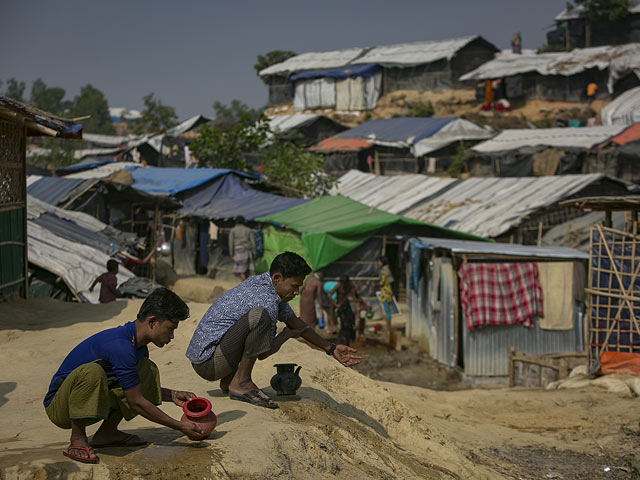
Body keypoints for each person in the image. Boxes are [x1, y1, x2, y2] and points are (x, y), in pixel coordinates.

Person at [43, 288, 207, 465]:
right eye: (170, 328)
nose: (172, 336)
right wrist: (179, 426)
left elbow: (132, 387)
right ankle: (77, 438)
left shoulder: (138, 348)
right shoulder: (120, 345)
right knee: (93, 372)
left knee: (146, 369)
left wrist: (173, 395)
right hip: (61, 407)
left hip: (91, 400)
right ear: (152, 321)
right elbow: (135, 401)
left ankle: (107, 433)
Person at [186, 252, 361, 409]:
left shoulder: (264, 283)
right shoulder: (267, 302)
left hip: (209, 357)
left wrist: (331, 348)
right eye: (294, 286)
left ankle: (230, 381)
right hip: (209, 364)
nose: (297, 292)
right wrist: (287, 334)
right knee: (259, 316)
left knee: (255, 320)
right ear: (277, 278)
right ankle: (241, 382)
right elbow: (263, 351)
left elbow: (297, 324)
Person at [329, 275, 371, 345]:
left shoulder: (350, 286)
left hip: (347, 306)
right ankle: (342, 340)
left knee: (351, 322)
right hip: (340, 307)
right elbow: (329, 294)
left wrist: (365, 305)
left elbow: (357, 296)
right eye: (343, 283)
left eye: (345, 283)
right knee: (344, 324)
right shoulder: (338, 286)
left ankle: (351, 339)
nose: (344, 285)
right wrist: (335, 304)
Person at [228, 216, 256, 281]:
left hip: (238, 251)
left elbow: (230, 242)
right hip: (247, 250)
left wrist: (231, 253)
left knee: (241, 270)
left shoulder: (233, 230)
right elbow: (253, 242)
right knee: (247, 269)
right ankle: (246, 286)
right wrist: (254, 252)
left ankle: (244, 286)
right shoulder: (248, 230)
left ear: (236, 221)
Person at [378, 256, 395, 343]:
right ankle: (388, 328)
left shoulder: (383, 272)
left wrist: (376, 285)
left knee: (387, 311)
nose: (378, 263)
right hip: (389, 291)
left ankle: (388, 329)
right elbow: (391, 281)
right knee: (388, 311)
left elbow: (381, 282)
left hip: (385, 293)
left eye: (379, 261)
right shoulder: (388, 270)